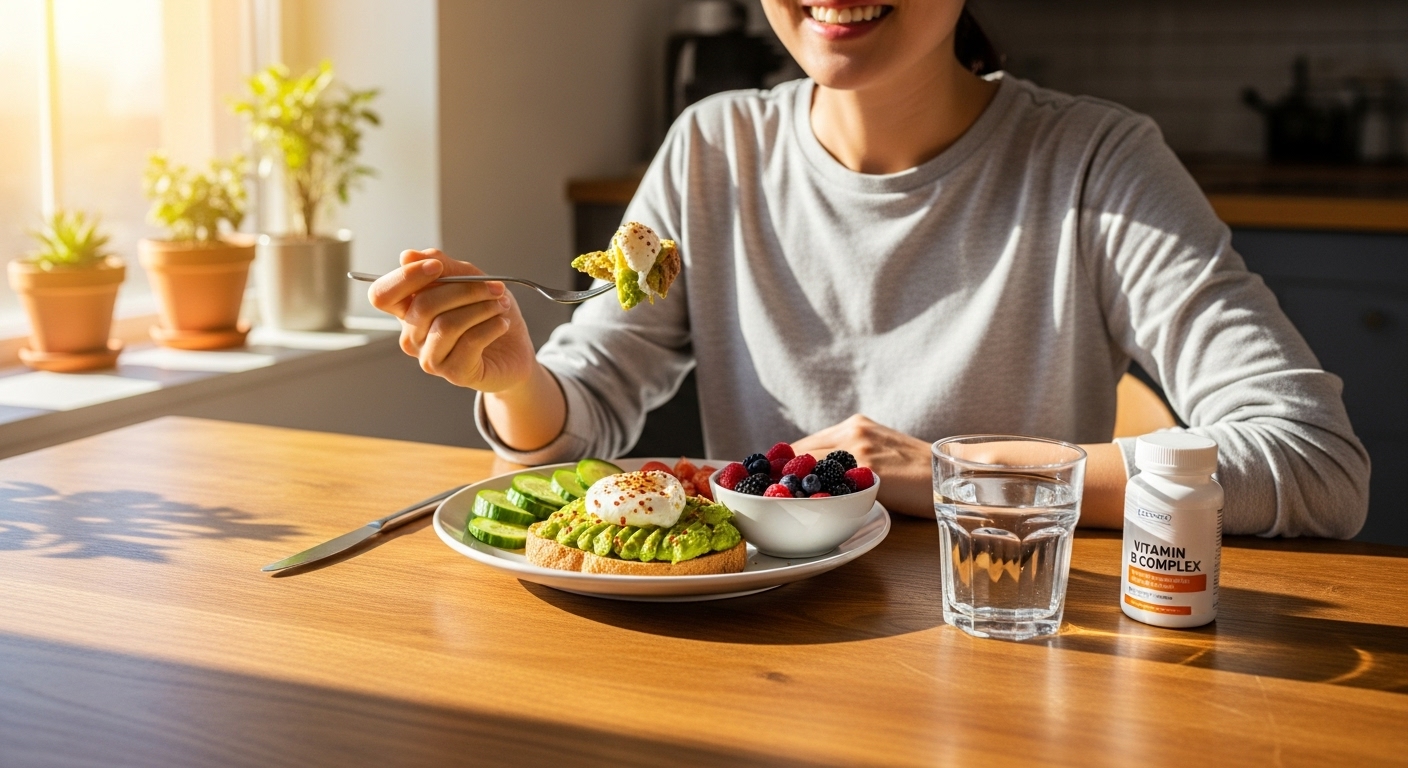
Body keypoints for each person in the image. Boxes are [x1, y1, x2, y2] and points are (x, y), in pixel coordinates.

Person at [370, 1, 1369, 538]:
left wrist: (954, 477)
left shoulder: (1095, 163)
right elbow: (571, 433)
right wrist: (512, 378)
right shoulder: (712, 149)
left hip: (1008, 640)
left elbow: (1313, 464)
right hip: (757, 651)